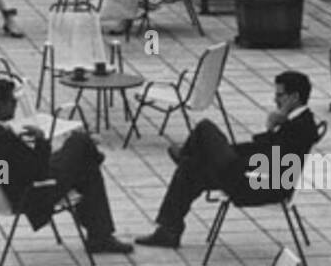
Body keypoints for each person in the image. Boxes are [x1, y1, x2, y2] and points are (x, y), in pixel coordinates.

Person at [136, 71, 320, 249]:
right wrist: (234, 151)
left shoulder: (300, 127)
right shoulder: (295, 121)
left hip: (258, 186)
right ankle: (169, 230)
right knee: (191, 169)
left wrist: (270, 128)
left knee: (204, 128)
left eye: (280, 95)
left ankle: (185, 156)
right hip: (254, 176)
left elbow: (270, 157)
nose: (275, 100)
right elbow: (265, 151)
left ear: (294, 97)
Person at [0, 79, 132, 255]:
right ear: (0, 105)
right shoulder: (1, 139)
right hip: (34, 193)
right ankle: (100, 237)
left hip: (21, 184)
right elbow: (36, 173)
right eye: (12, 101)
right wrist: (40, 141)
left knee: (85, 164)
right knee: (80, 142)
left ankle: (100, 235)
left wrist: (16, 156)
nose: (15, 105)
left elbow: (6, 171)